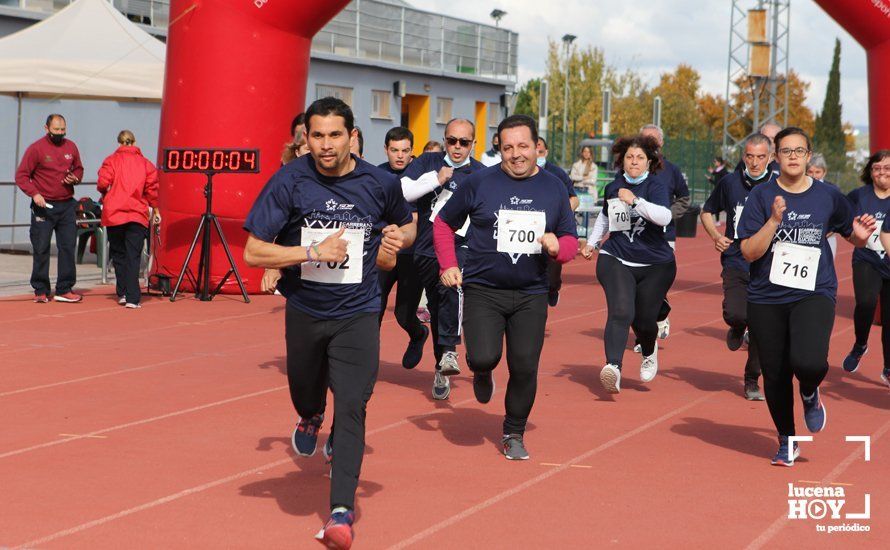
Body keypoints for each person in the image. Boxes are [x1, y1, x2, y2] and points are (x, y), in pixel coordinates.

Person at [243, 97, 415, 549]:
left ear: (352, 136)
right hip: (306, 309)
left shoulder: (378, 182)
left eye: (334, 135)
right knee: (304, 389)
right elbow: (254, 251)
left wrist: (399, 238)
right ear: (306, 138)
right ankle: (311, 414)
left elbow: (407, 223)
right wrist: (311, 253)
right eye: (316, 135)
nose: (325, 145)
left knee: (355, 403)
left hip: (358, 312)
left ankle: (341, 511)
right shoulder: (290, 180)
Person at [434, 114, 578, 459]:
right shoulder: (480, 182)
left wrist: (558, 248)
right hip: (484, 288)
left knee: (525, 366)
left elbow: (570, 239)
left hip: (531, 292)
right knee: (484, 355)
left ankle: (514, 431)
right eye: (508, 147)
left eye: (523, 146)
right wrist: (449, 264)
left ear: (537, 147)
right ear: (499, 148)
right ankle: (482, 370)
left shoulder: (554, 187)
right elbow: (442, 224)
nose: (516, 154)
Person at [737, 127, 874, 467]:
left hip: (814, 291)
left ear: (809, 155)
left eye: (799, 150)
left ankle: (810, 391)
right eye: (786, 151)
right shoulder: (761, 197)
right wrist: (773, 221)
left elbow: (850, 233)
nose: (794, 156)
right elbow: (750, 252)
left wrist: (858, 237)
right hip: (767, 296)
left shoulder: (827, 196)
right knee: (776, 372)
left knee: (809, 362)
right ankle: (787, 439)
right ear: (775, 157)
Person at [581, 135, 675, 393]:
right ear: (622, 161)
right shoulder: (613, 187)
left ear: (649, 162)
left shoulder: (656, 187)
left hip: (655, 263)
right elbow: (604, 218)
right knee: (621, 311)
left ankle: (648, 349)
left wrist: (635, 200)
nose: (634, 162)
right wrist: (592, 243)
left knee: (644, 320)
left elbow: (664, 217)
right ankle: (613, 367)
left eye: (640, 158)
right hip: (617, 256)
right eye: (629, 157)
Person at [400, 119, 486, 400]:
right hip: (425, 249)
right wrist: (436, 179)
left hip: (462, 248)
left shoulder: (481, 174)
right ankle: (442, 362)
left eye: (464, 142)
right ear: (445, 140)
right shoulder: (428, 162)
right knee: (439, 311)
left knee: (453, 290)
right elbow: (403, 191)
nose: (457, 147)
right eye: (452, 141)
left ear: (473, 143)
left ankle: (453, 351)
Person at [700, 133, 776, 400]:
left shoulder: (779, 184)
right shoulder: (730, 183)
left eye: (760, 157)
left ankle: (751, 379)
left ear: (770, 158)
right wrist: (716, 236)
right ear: (744, 156)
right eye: (750, 156)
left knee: (760, 325)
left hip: (768, 264)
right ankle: (736, 325)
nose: (754, 162)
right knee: (736, 313)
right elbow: (706, 211)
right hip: (735, 259)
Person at [15, 113, 85, 303]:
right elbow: (21, 176)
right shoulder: (36, 149)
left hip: (67, 205)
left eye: (63, 130)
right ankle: (40, 289)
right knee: (41, 247)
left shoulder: (71, 146)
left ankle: (64, 288)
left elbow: (79, 169)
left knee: (68, 247)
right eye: (56, 130)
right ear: (46, 129)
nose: (60, 133)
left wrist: (76, 178)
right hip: (43, 206)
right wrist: (34, 193)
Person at [377, 127, 429, 369]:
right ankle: (365, 361)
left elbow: (425, 216)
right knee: (372, 307)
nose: (399, 156)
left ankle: (417, 334)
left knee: (403, 315)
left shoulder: (422, 176)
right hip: (383, 251)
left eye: (405, 151)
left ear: (412, 151)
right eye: (394, 150)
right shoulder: (376, 174)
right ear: (386, 149)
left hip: (412, 255)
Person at [96, 130, 160, 309]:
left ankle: (122, 292)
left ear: (119, 143)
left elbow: (102, 183)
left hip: (114, 213)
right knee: (133, 255)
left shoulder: (111, 160)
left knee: (118, 254)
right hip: (136, 214)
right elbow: (152, 189)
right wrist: (155, 208)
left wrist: (105, 193)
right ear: (134, 142)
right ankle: (133, 297)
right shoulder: (146, 164)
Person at [639, 124, 690, 342]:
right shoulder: (631, 168)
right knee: (637, 287)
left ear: (661, 144)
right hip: (636, 236)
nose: (649, 145)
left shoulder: (672, 170)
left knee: (655, 285)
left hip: (663, 236)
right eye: (645, 141)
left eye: (653, 141)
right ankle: (644, 335)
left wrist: (667, 215)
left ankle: (660, 313)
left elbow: (684, 198)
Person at [847, 150, 890, 388]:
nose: (881, 173)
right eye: (876, 168)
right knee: (866, 302)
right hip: (867, 259)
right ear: (870, 171)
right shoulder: (859, 196)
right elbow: (839, 216)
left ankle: (889, 367)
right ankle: (860, 344)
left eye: (887, 168)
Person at [536, 137, 580, 306]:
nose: (538, 154)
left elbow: (574, 199)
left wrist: (563, 214)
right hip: (530, 232)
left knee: (552, 277)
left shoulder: (557, 174)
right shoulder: (520, 172)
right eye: (535, 150)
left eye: (541, 152)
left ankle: (553, 289)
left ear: (546, 152)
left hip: (552, 233)